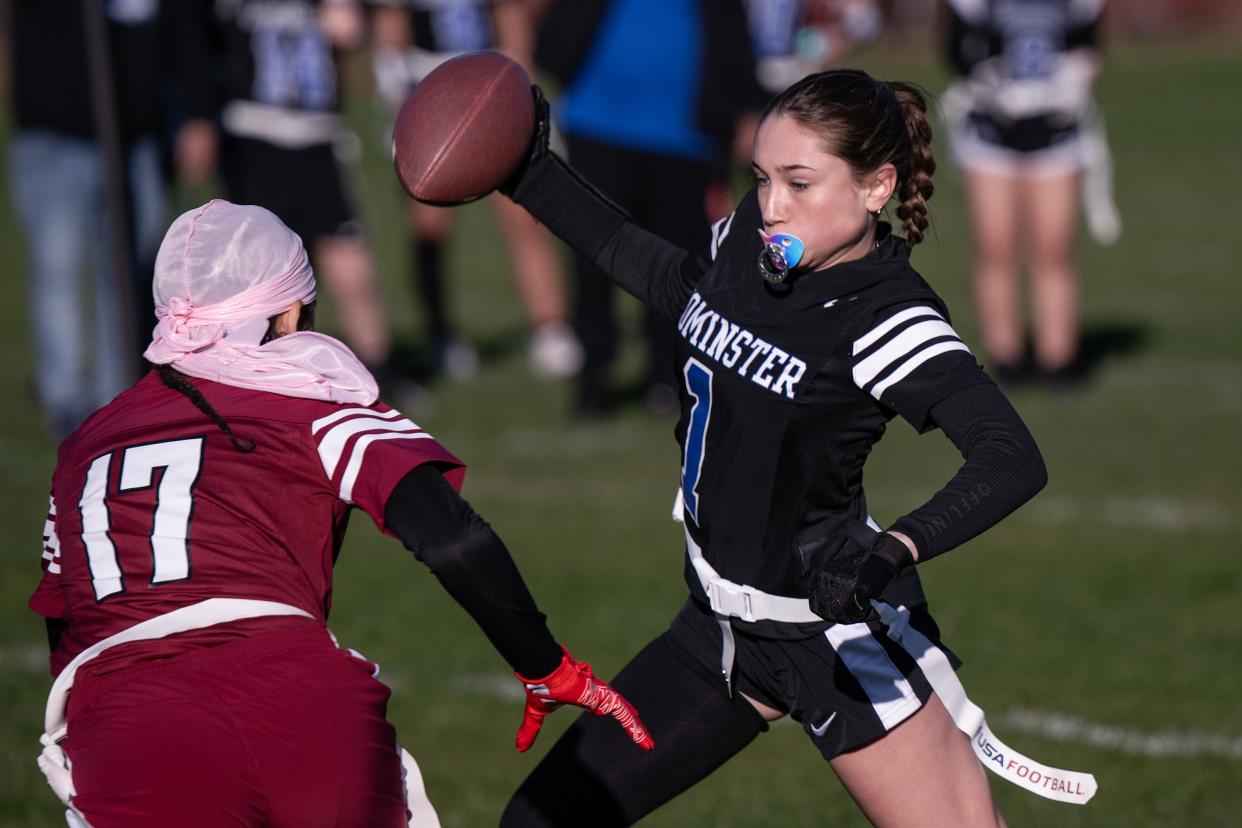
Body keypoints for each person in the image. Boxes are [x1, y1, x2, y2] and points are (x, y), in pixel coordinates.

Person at [484, 69, 1096, 825]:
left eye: (801, 183)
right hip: (717, 626)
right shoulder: (752, 240)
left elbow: (1010, 454)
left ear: (877, 188)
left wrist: (893, 550)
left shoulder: (888, 316)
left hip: (832, 635)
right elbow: (671, 280)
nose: (773, 204)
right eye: (763, 177)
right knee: (540, 820)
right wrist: (529, 175)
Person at [28, 200, 652, 828]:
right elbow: (453, 539)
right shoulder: (312, 401)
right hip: (297, 697)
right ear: (290, 311)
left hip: (131, 723)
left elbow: (71, 626)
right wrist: (546, 666)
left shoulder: (85, 445)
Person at [533, 0, 765, 415]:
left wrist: (742, 110)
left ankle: (665, 375)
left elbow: (734, 44)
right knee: (592, 261)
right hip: (598, 126)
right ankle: (593, 375)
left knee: (678, 262)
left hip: (685, 138)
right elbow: (557, 30)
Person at [8, 0, 216, 438]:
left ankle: (113, 397)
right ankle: (63, 398)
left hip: (138, 136)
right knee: (58, 269)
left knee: (129, 274)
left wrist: (197, 113)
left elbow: (186, 32)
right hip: (55, 132)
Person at [206, 0, 417, 400]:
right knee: (262, 276)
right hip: (255, 138)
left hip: (317, 139)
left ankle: (377, 372)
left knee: (351, 267)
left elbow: (348, 30)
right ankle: (260, 372)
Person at [370, 0, 583, 382]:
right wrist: (399, 103)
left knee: (523, 215)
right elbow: (391, 31)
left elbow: (511, 22)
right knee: (430, 225)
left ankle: (551, 326)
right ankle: (441, 332)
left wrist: (530, 98)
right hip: (432, 88)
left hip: (490, 87)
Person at [941, 0, 1119, 387]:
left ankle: (1059, 361)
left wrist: (1076, 76)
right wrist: (986, 79)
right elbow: (954, 48)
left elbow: (1088, 45)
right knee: (995, 246)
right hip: (992, 132)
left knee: (1053, 248)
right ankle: (1007, 358)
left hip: (1055, 132)